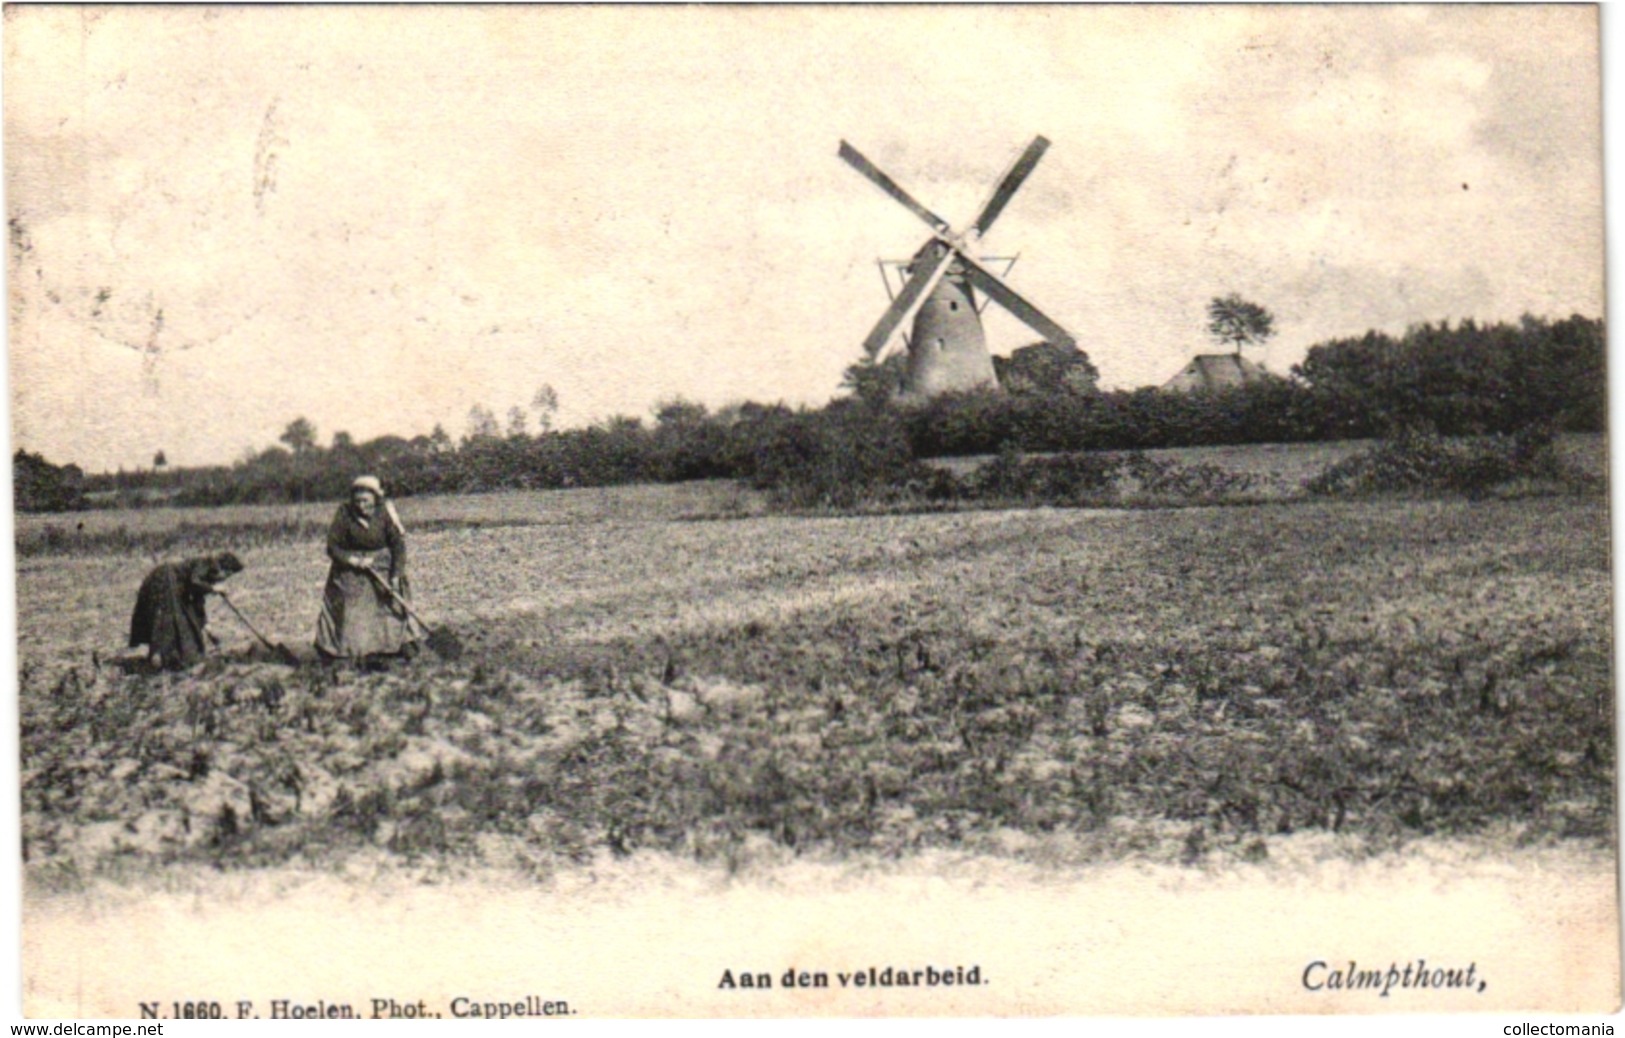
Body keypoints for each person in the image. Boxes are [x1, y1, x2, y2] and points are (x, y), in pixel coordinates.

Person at [315, 475, 416, 662]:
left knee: (393, 602)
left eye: (366, 501)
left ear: (376, 499)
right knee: (350, 603)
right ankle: (348, 652)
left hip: (382, 565)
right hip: (351, 568)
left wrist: (395, 575)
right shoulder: (344, 514)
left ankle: (397, 646)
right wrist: (354, 561)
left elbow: (398, 545)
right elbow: (332, 547)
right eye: (358, 501)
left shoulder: (385, 513)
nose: (361, 505)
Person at [128, 552, 244, 670]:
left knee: (185, 623)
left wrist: (206, 626)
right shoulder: (205, 563)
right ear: (222, 569)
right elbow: (194, 582)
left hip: (174, 586)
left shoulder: (208, 574)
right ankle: (160, 658)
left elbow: (197, 601)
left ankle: (173, 657)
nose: (223, 579)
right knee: (168, 622)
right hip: (165, 580)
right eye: (227, 575)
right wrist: (213, 589)